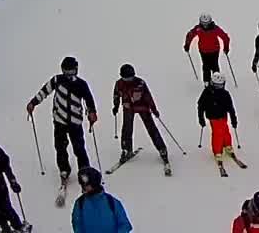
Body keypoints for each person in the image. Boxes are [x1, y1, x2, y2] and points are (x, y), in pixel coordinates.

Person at [26, 57, 97, 194]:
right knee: (60, 146)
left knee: (79, 148)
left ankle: (84, 171)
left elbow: (89, 100)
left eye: (71, 70)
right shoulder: (57, 80)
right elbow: (44, 92)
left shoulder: (81, 84)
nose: (69, 73)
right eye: (66, 70)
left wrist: (92, 112)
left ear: (76, 69)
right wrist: (33, 103)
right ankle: (64, 169)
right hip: (59, 121)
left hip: (75, 122)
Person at [110, 64, 170, 169]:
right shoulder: (119, 84)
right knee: (127, 128)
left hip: (142, 106)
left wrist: (154, 109)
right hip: (128, 107)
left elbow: (148, 96)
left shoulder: (140, 83)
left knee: (151, 127)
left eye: (130, 77)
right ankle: (126, 149)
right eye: (126, 78)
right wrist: (115, 106)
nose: (128, 80)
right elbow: (116, 94)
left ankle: (162, 148)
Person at [199, 72, 246, 174]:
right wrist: (201, 118)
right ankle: (217, 150)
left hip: (223, 116)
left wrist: (234, 119)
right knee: (217, 133)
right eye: (217, 85)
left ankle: (227, 145)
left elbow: (230, 108)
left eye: (220, 85)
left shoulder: (225, 94)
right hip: (213, 117)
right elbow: (200, 105)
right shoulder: (207, 93)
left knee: (225, 130)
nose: (219, 87)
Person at [68, 168, 130, 233]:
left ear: (94, 183)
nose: (84, 188)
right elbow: (77, 224)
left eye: (87, 185)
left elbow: (124, 224)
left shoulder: (111, 201)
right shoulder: (80, 203)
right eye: (82, 185)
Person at [185, 14, 232, 80]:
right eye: (203, 23)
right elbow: (190, 35)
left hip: (214, 50)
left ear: (210, 22)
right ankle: (207, 82)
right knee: (206, 66)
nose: (205, 25)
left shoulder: (215, 29)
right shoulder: (198, 29)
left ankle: (217, 81)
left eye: (207, 23)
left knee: (214, 65)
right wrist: (187, 45)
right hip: (203, 51)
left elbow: (225, 37)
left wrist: (226, 47)